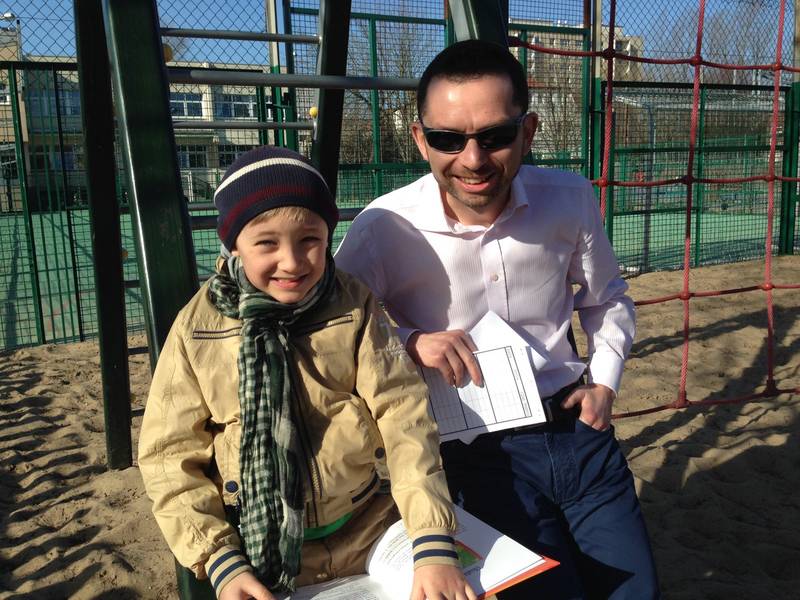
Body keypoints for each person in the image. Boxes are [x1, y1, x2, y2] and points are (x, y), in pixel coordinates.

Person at [335, 40, 660, 599]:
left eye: (495, 136)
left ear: (527, 132)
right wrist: (410, 342)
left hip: (577, 429)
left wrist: (605, 383)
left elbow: (606, 298)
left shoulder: (569, 199)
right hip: (472, 450)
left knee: (635, 592)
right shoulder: (383, 226)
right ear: (420, 139)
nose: (472, 159)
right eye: (447, 139)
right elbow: (337, 327)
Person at [139, 146, 475, 600]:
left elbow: (403, 414)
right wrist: (219, 557)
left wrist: (432, 540)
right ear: (234, 244)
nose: (293, 262)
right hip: (261, 547)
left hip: (368, 525)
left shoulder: (352, 304)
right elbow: (168, 455)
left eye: (309, 240)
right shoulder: (197, 329)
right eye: (266, 243)